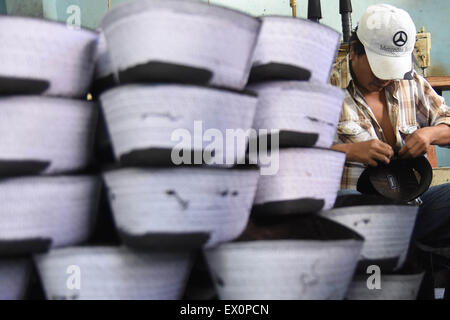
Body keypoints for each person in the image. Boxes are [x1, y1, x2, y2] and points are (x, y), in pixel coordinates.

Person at [331, 4, 450, 247]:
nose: (385, 79)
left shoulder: (410, 82)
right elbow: (292, 157)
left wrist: (430, 134)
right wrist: (349, 152)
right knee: (352, 205)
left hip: (412, 204)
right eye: (378, 68)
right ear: (354, 51)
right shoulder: (323, 89)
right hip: (356, 209)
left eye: (391, 69)